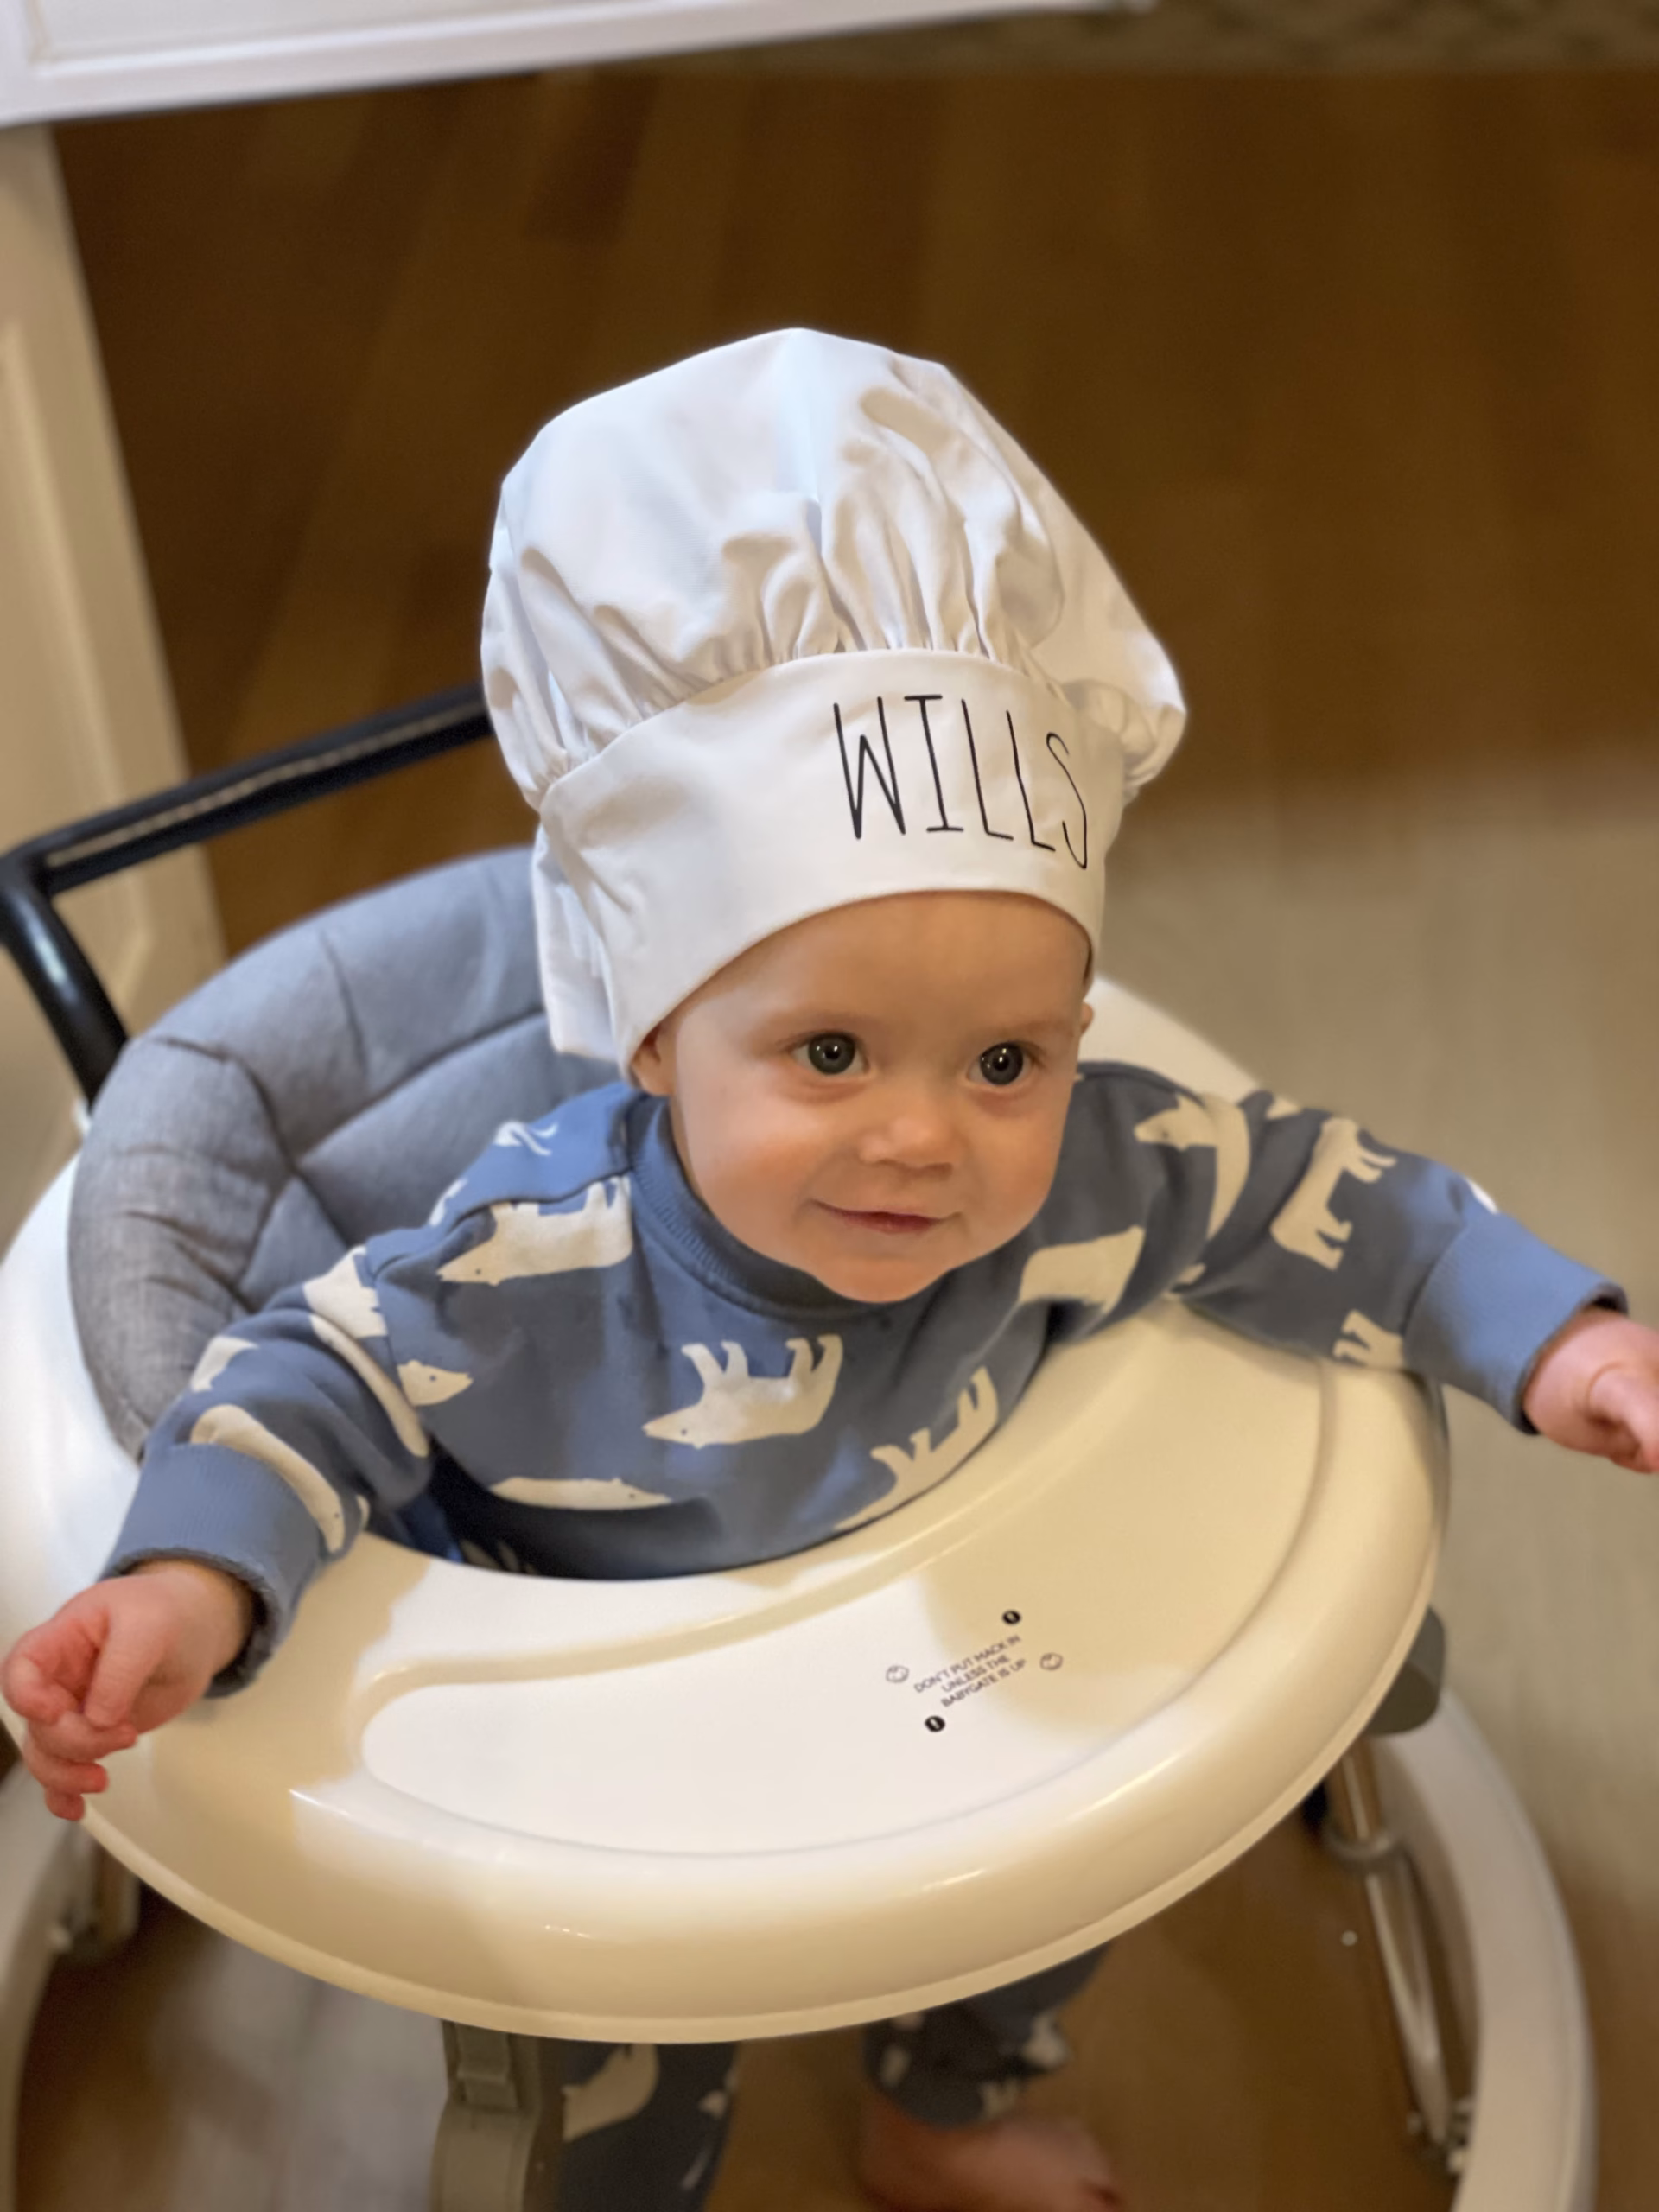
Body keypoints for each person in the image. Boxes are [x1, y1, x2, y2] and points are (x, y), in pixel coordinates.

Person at [5, 330, 1657, 2212]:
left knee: (1036, 1908)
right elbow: (309, 1377)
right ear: (651, 1036)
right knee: (611, 2071)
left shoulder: (1077, 1176)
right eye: (833, 1054)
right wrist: (192, 1578)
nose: (925, 1138)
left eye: (1006, 1057)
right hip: (622, 1769)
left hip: (966, 1678)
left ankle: (936, 2111)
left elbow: (1316, 1196)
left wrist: (1553, 1337)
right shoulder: (535, 1259)